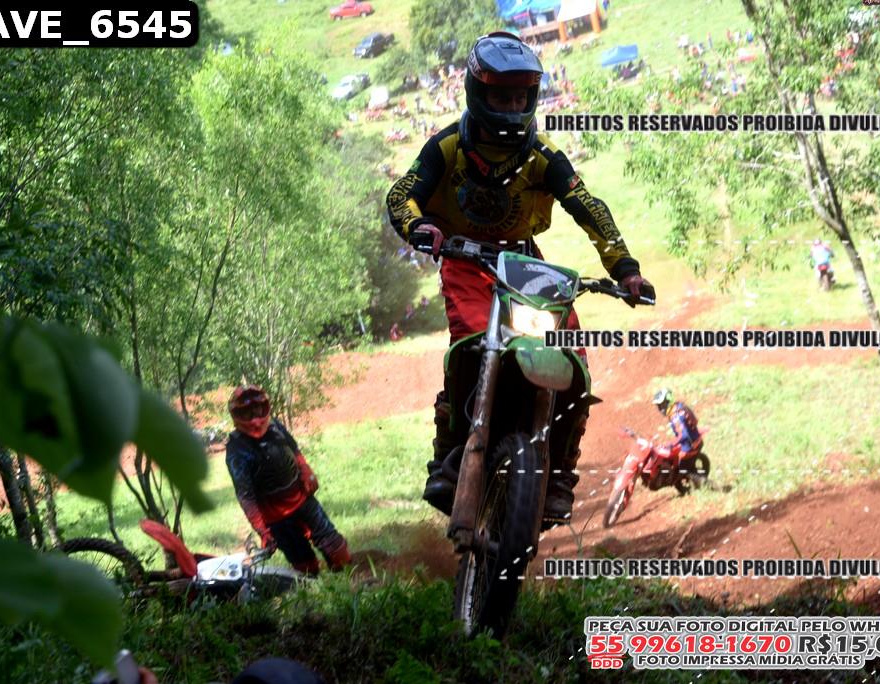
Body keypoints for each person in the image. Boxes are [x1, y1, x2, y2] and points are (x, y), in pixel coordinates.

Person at [385, 32, 654, 523]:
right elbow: (403, 195)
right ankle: (448, 455)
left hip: (526, 266)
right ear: (478, 93)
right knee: (470, 346)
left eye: (519, 97)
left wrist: (626, 268)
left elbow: (588, 206)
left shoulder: (543, 156)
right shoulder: (447, 147)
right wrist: (419, 227)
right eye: (501, 97)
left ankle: (560, 473)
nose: (511, 107)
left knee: (571, 359)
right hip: (466, 260)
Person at [225, 385, 350, 575]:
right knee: (304, 565)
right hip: (275, 518)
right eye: (248, 413)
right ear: (237, 416)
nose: (255, 418)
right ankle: (315, 588)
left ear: (265, 407)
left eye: (257, 410)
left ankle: (349, 579)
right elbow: (245, 496)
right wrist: (262, 530)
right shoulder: (236, 449)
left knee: (335, 546)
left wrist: (306, 470)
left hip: (302, 499)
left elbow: (293, 448)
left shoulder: (275, 425)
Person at [644, 389, 702, 486]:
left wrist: (671, 444)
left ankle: (709, 485)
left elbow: (683, 435)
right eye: (659, 406)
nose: (661, 409)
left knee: (683, 470)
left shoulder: (676, 417)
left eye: (662, 405)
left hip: (691, 445)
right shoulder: (679, 406)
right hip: (693, 439)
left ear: (669, 401)